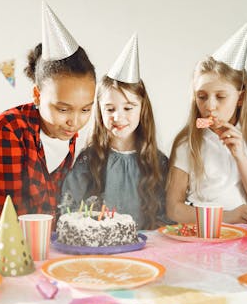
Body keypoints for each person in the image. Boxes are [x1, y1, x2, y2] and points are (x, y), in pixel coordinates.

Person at [0, 2, 96, 232]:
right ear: (37, 95)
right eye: (63, 109)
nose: (75, 121)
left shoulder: (66, 132)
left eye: (85, 110)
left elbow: (49, 207)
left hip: (31, 242)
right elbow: (12, 217)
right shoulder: (7, 130)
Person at [166, 20, 247, 224]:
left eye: (220, 96)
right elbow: (174, 209)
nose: (210, 106)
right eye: (202, 96)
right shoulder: (188, 142)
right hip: (204, 236)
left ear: (240, 98)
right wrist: (227, 217)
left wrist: (241, 156)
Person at [61, 34, 170, 230]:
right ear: (100, 111)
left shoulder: (158, 162)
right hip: (100, 251)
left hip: (146, 251)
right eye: (110, 109)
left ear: (142, 108)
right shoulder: (89, 160)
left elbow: (167, 216)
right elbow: (69, 209)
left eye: (128, 108)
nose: (118, 117)